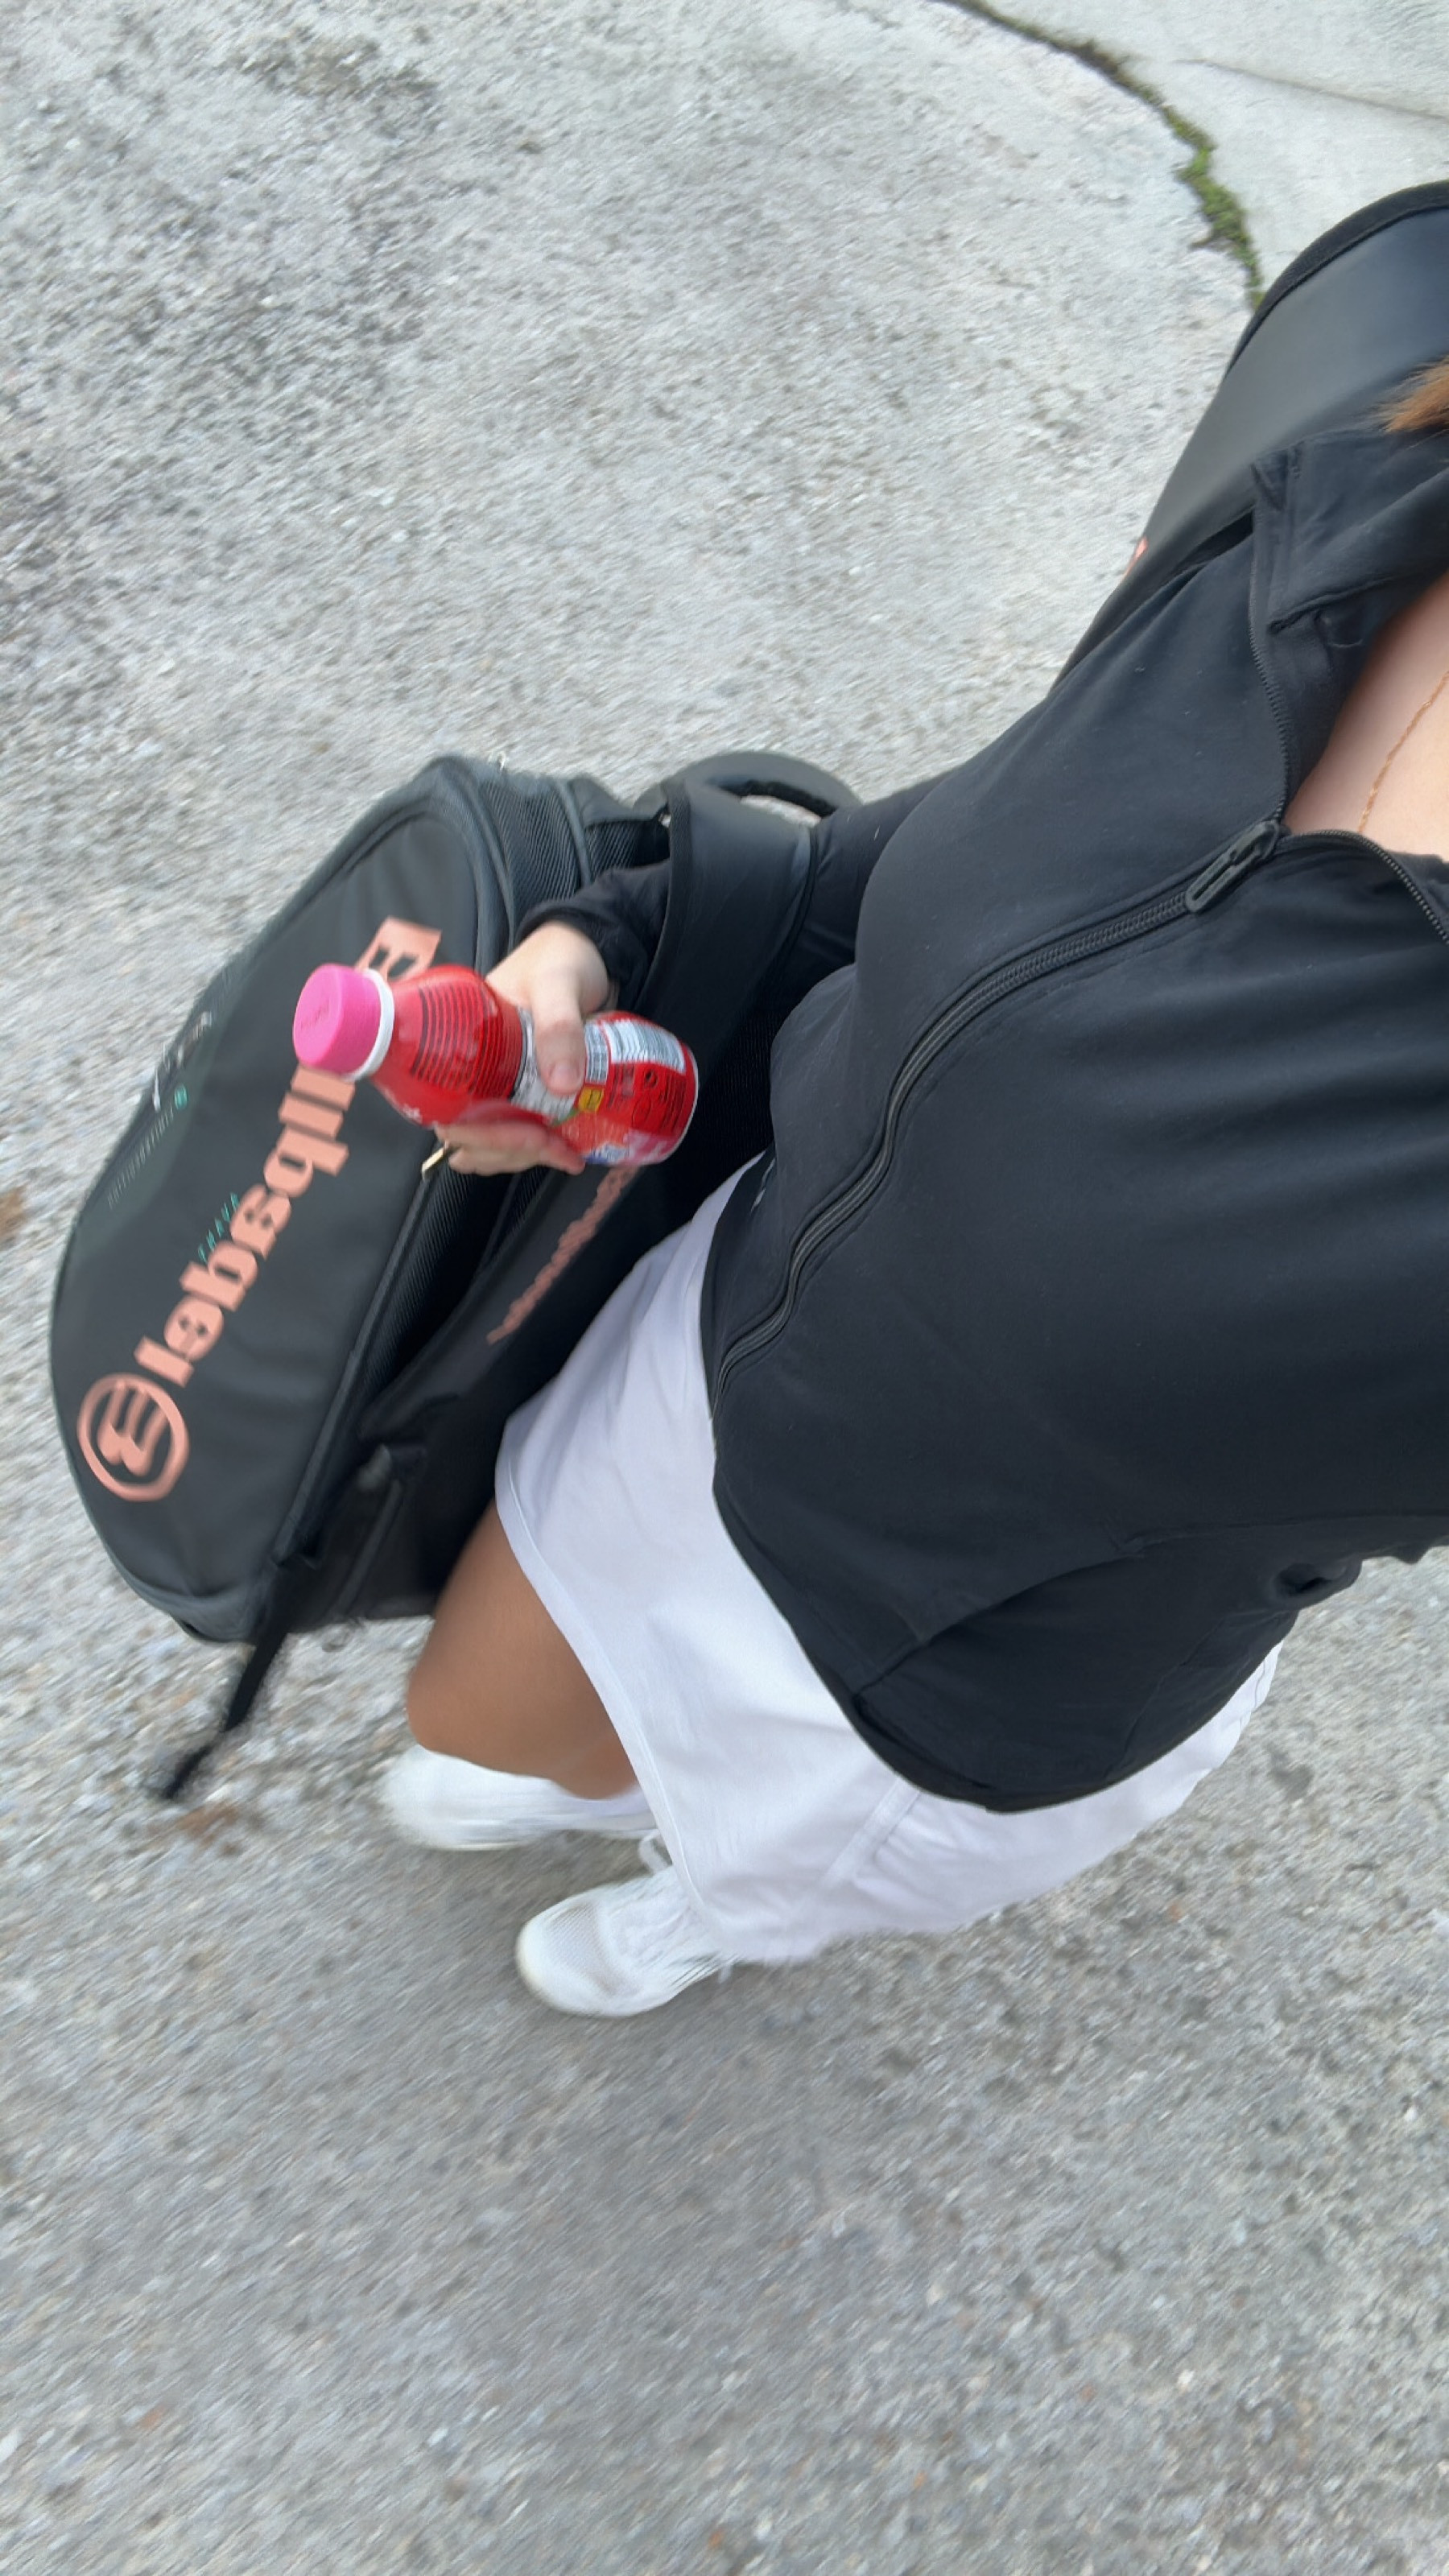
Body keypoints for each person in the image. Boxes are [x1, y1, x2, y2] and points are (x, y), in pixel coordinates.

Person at [380, 349, 1449, 2017]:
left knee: (745, 1853)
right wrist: (611, 942)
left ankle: (706, 1907)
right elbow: (969, 847)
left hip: (958, 1661)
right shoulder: (1376, 475)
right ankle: (641, 1805)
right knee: (466, 1722)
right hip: (717, 1352)